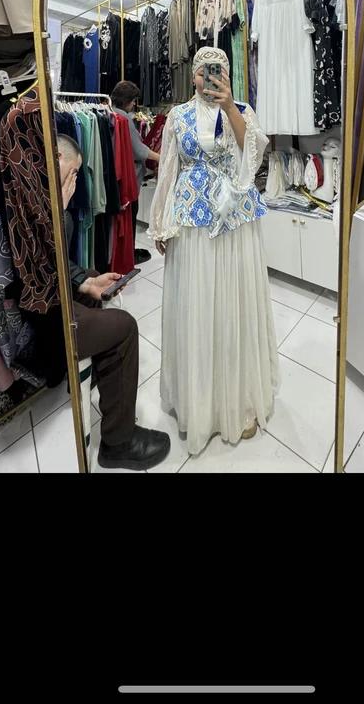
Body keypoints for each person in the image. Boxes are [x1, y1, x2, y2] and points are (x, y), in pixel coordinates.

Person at [147, 47, 279, 456]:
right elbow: (168, 169)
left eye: (218, 69)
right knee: (198, 304)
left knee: (234, 303)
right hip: (193, 219)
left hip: (235, 218)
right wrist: (159, 220)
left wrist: (231, 109)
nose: (210, 77)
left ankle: (239, 400)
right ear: (193, 76)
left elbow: (254, 154)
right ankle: (199, 401)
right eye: (204, 71)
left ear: (228, 73)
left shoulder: (242, 110)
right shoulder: (177, 116)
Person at [57, 134, 170, 471]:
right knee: (124, 327)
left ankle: (98, 376)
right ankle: (118, 442)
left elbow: (58, 264)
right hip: (44, 315)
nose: (76, 181)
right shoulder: (40, 206)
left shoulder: (41, 201)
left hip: (52, 296)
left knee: (95, 277)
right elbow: (43, 266)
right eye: (73, 172)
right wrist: (58, 212)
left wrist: (85, 281)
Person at [111, 81, 160, 264]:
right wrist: (161, 157)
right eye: (133, 101)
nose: (134, 105)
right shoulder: (123, 119)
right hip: (129, 178)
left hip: (117, 177)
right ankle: (128, 254)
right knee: (130, 216)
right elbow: (138, 150)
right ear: (128, 101)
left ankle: (123, 253)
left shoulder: (109, 113)